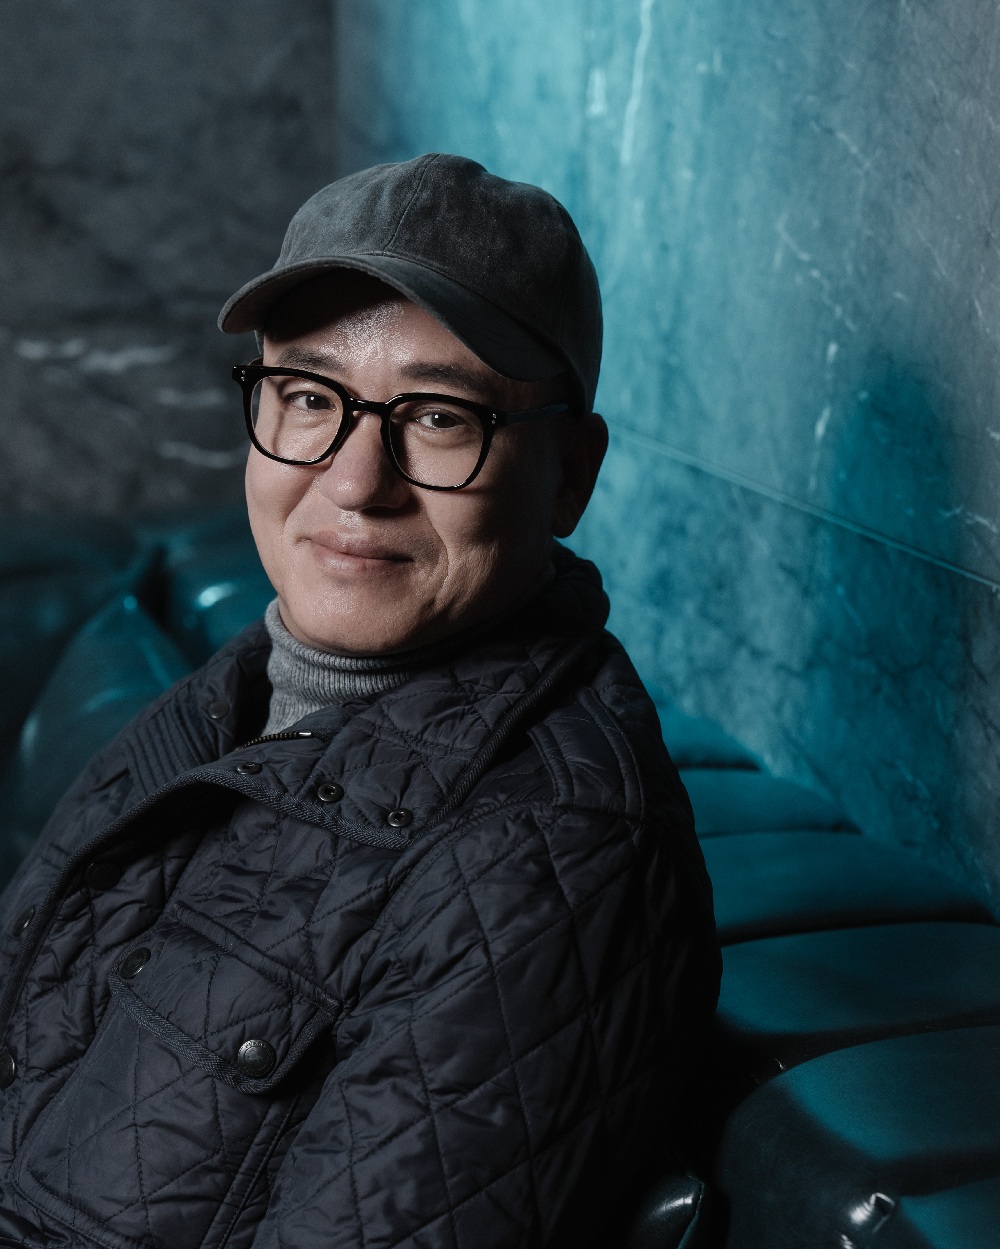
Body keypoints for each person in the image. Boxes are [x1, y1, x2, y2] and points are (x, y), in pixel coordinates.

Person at [0, 154, 719, 1249]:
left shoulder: (550, 858)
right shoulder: (235, 693)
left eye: (439, 417)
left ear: (570, 473)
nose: (352, 481)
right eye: (308, 398)